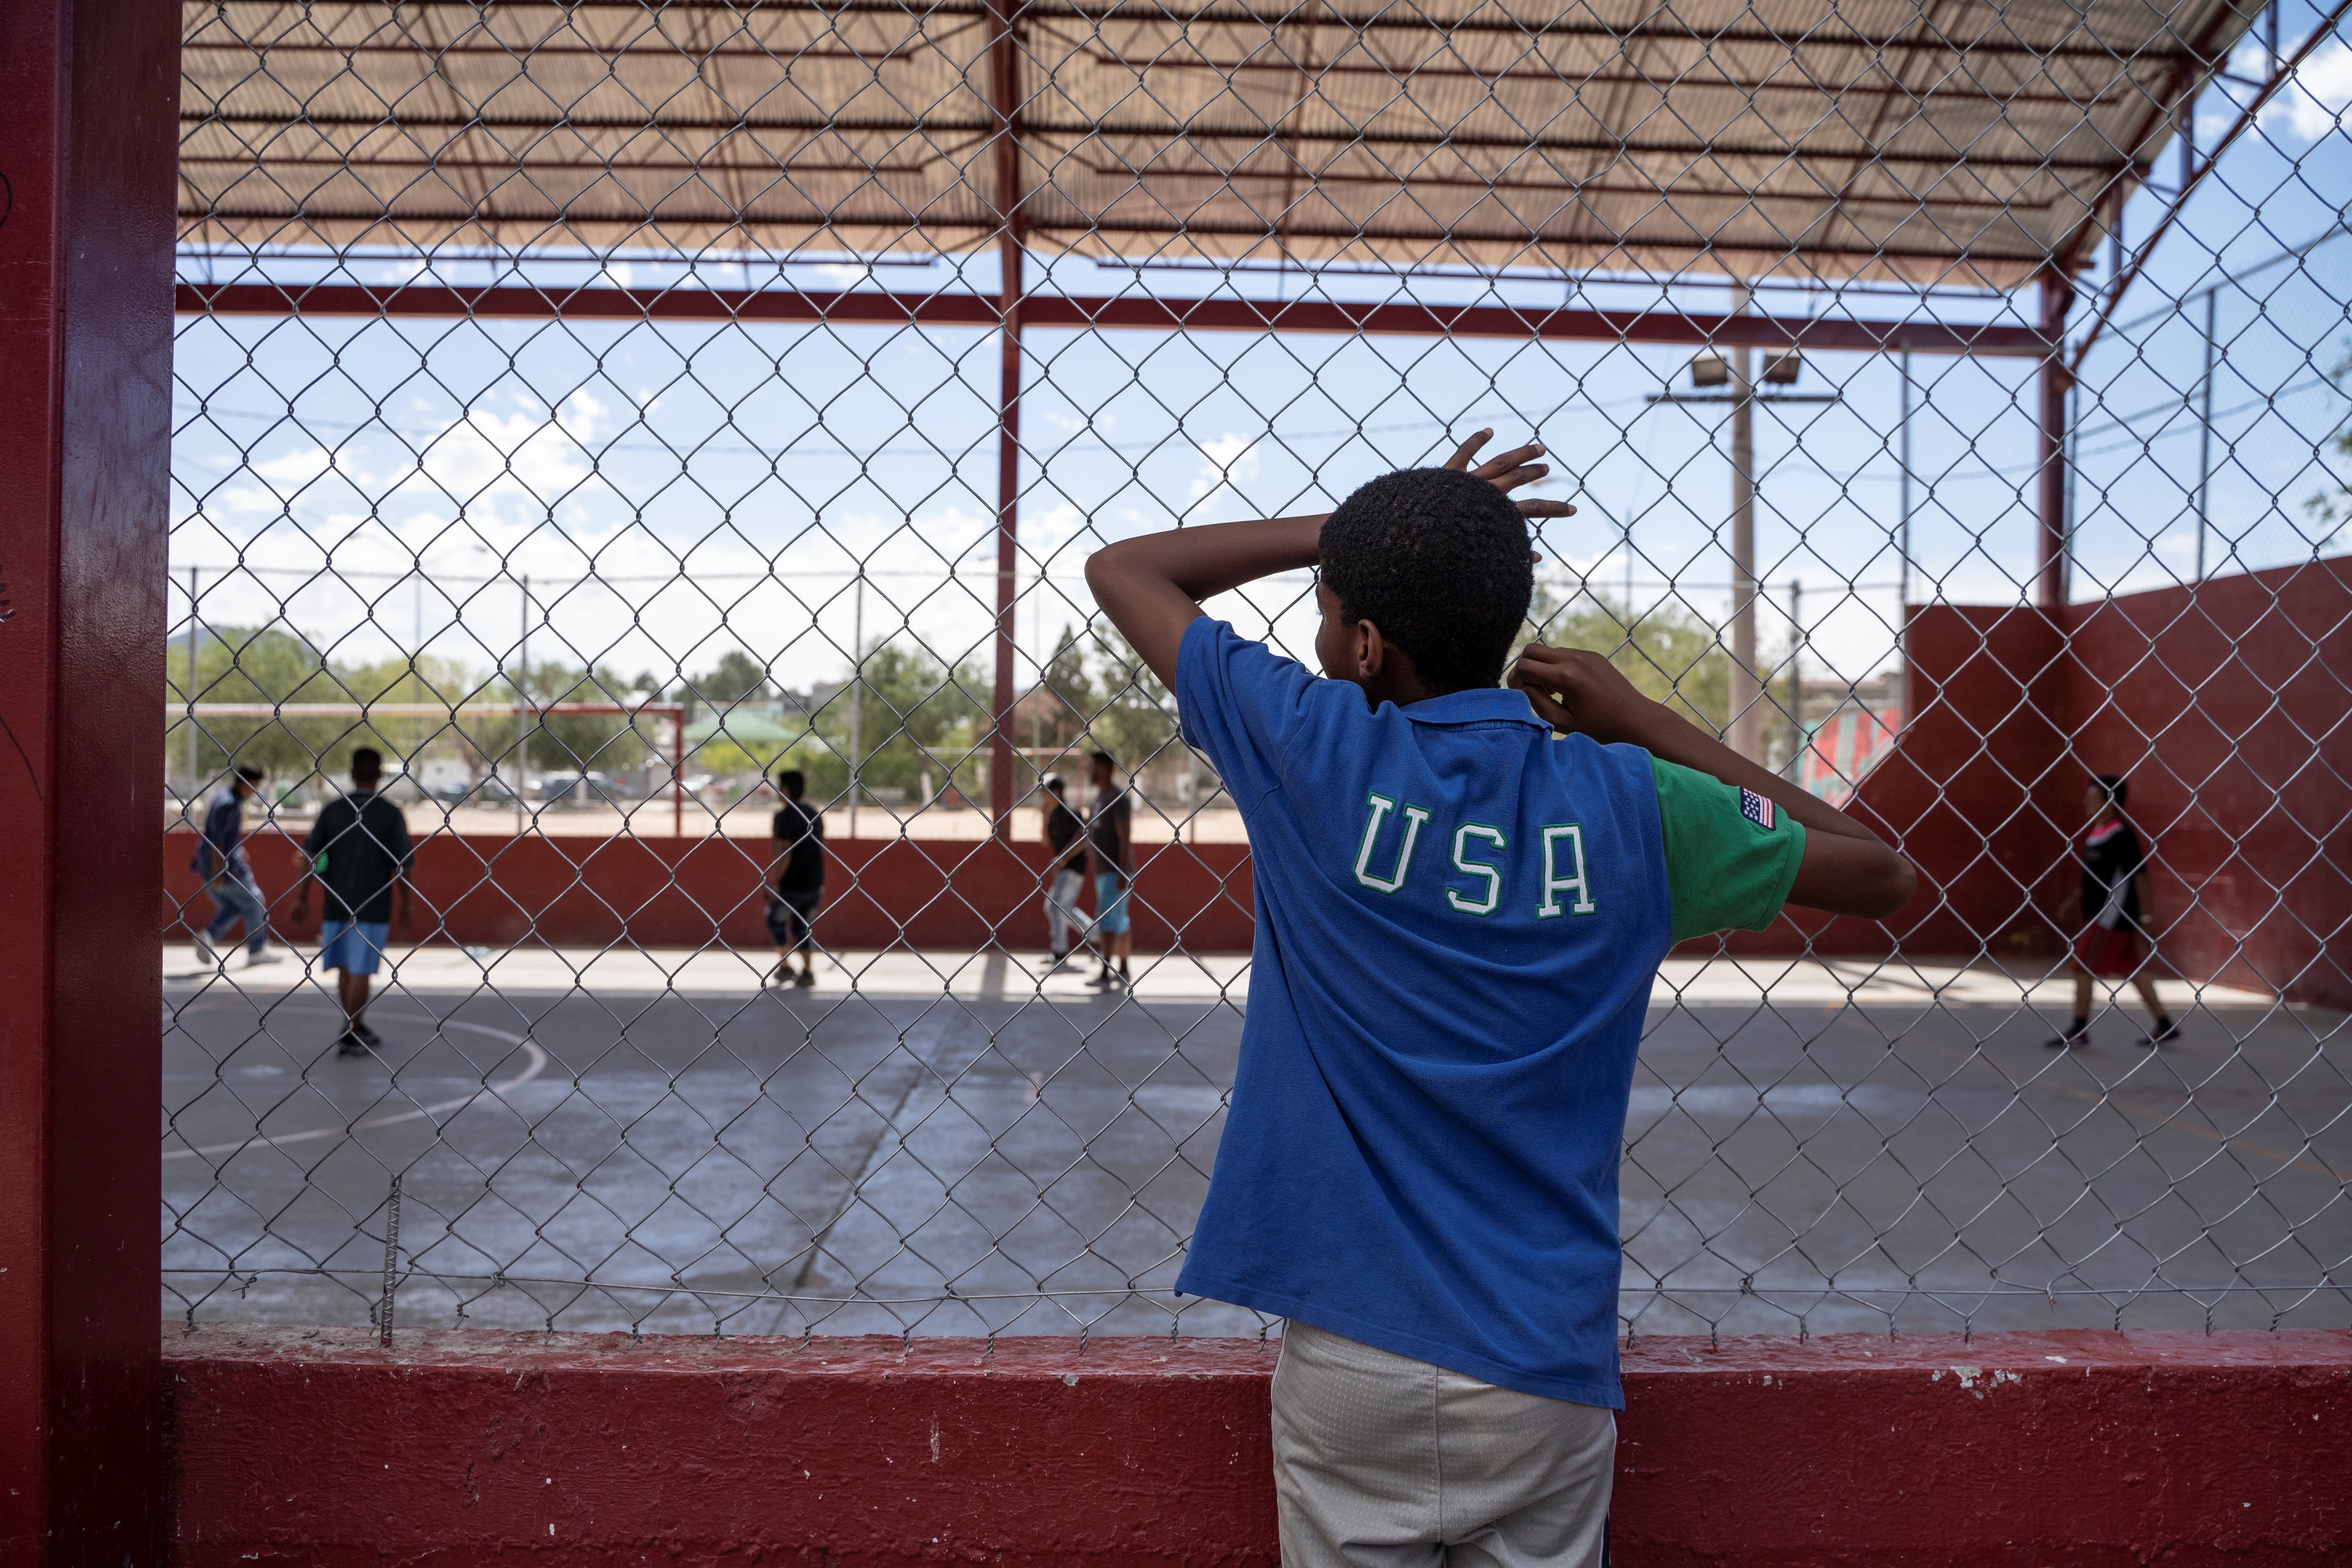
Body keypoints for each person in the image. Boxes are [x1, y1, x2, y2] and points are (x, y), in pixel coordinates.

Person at [1084, 431, 1915, 1568]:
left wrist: (1364, 533)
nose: (1321, 637)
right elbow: (1879, 872)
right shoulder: (1635, 802)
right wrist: (1644, 721)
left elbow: (1127, 571)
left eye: (1332, 612)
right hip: (1544, 1362)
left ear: (1366, 646)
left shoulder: (1310, 749)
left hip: (1356, 1357)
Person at [292, 749, 415, 1055]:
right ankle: (350, 1030)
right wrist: (406, 904)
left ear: (351, 773)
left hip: (336, 902)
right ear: (380, 775)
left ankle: (355, 1025)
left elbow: (310, 856)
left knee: (346, 967)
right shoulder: (390, 813)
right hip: (373, 906)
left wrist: (302, 897)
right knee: (361, 970)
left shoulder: (333, 811)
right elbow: (404, 865)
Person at [2047, 773, 2178, 1049]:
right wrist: (2075, 900)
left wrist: (2146, 918)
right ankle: (2165, 1024)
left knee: (2081, 966)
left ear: (2110, 801)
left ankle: (2079, 1029)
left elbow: (2139, 876)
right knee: (2131, 967)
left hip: (2111, 916)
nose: (2086, 802)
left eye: (2093, 797)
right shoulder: (2098, 832)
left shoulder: (2122, 834)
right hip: (2100, 912)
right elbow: (2095, 877)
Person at [193, 763, 285, 968]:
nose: (256, 791)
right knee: (255, 901)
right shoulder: (230, 804)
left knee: (234, 905)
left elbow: (221, 836)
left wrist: (236, 848)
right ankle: (257, 949)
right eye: (256, 785)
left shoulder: (223, 797)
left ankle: (208, 937)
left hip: (213, 862)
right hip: (226, 867)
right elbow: (217, 840)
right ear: (248, 783)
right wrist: (218, 872)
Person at [768, 768, 826, 987]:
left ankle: (786, 966)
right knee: (803, 927)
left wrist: (774, 881)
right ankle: (808, 971)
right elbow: (822, 845)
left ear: (785, 789)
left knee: (775, 920)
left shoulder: (784, 817)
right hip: (814, 882)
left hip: (791, 885)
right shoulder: (813, 812)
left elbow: (785, 853)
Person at [1084, 749, 1133, 989]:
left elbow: (1125, 837)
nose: (1088, 771)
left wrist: (1123, 872)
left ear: (1103, 768)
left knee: (1107, 921)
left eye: (1092, 766)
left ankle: (1105, 971)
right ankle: (1123, 968)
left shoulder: (1117, 798)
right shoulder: (1097, 799)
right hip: (1104, 871)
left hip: (1115, 871)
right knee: (1120, 919)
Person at [1039, 773, 1091, 971]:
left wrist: (1064, 859)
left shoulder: (1072, 812)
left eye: (1046, 793)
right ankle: (1096, 935)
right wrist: (1044, 819)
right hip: (1063, 869)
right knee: (1060, 909)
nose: (1044, 797)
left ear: (1057, 792)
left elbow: (1085, 839)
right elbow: (1045, 842)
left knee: (1055, 908)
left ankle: (1060, 951)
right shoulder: (1053, 815)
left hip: (1073, 868)